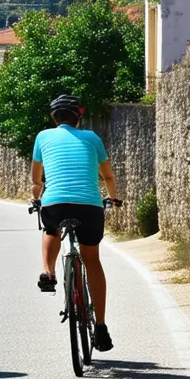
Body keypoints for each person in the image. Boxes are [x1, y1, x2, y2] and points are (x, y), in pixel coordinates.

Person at [30, 95, 122, 351]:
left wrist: (36, 198)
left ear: (53, 117)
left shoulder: (42, 137)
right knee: (91, 259)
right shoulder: (92, 138)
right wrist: (113, 199)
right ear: (79, 117)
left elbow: (37, 179)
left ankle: (48, 272)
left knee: (50, 229)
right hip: (89, 205)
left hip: (55, 203)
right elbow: (108, 176)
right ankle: (101, 327)